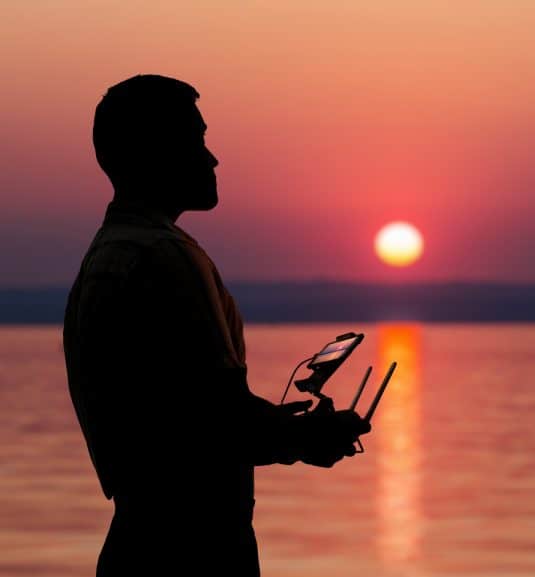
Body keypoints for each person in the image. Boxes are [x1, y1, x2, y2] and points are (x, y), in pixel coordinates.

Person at [62, 74, 370, 576]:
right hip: (193, 548)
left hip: (138, 540)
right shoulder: (165, 256)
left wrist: (277, 426)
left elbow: (180, 408)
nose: (212, 158)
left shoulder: (106, 255)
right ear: (155, 151)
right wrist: (308, 438)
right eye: (197, 139)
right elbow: (214, 421)